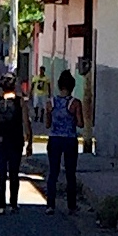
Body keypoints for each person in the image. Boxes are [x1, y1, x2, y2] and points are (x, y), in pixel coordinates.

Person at [0, 74, 31, 213]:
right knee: (14, 173)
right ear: (14, 85)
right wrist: (29, 142)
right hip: (15, 141)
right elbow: (26, 122)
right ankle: (13, 204)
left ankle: (1, 206)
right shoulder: (20, 102)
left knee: (1, 173)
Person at [44, 69, 82, 214]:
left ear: (59, 86)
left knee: (53, 172)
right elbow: (80, 124)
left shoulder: (50, 102)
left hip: (54, 139)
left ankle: (50, 205)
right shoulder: (75, 103)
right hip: (70, 140)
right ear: (72, 86)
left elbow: (47, 124)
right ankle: (71, 206)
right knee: (70, 174)